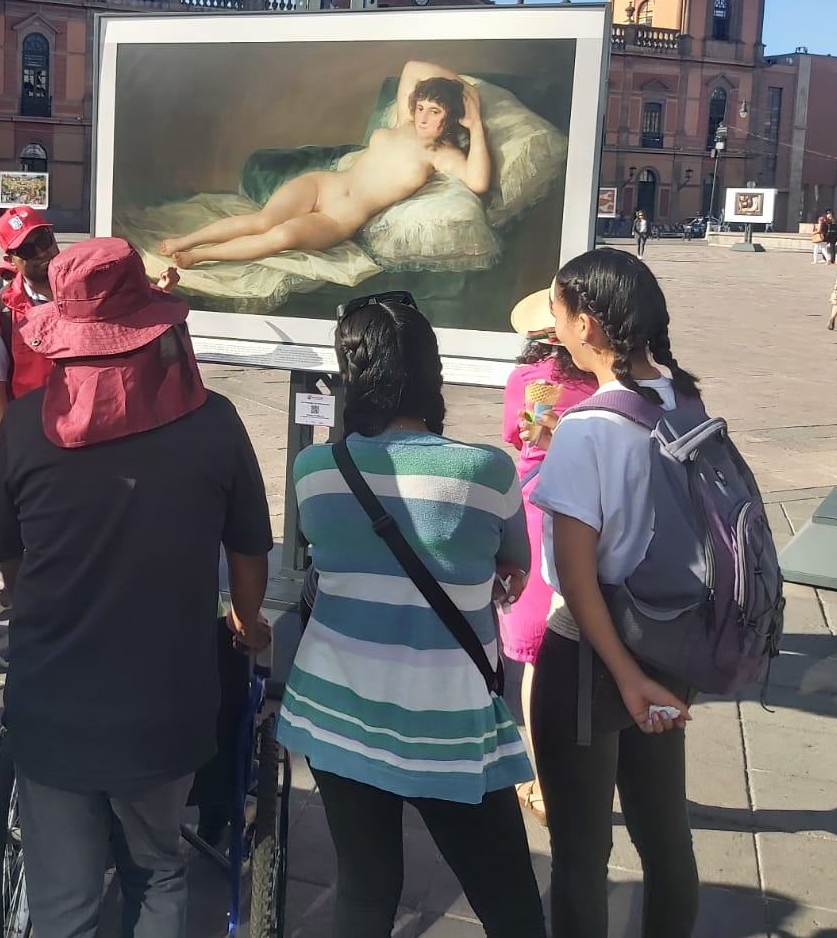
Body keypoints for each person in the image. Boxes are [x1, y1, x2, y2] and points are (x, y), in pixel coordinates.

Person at [0, 238, 274, 938]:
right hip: (165, 706)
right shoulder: (215, 424)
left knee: (63, 900)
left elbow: (9, 560)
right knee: (158, 869)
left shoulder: (23, 427)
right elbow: (250, 550)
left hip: (52, 700)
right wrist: (248, 619)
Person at [277, 291, 546, 937]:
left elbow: (330, 549)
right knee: (509, 901)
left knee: (366, 892)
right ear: (433, 373)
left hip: (334, 709)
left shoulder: (315, 469)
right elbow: (513, 564)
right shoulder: (485, 470)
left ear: (352, 379)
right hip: (447, 721)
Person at [529, 248, 700, 938]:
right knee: (666, 839)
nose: (553, 324)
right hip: (670, 641)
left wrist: (623, 677)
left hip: (590, 660)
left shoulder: (590, 428)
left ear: (589, 326)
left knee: (579, 855)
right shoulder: (685, 401)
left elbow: (573, 577)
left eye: (558, 311)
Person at [159, 62, 490, 267]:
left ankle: (195, 257)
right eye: (422, 107)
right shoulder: (405, 121)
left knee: (280, 236)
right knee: (263, 221)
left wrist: (475, 123)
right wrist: (462, 88)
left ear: (450, 119)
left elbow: (478, 182)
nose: (422, 117)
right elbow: (413, 68)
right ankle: (185, 241)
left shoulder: (440, 154)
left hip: (338, 218)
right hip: (323, 184)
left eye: (435, 112)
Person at [499, 291, 596, 827]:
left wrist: (543, 412)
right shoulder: (604, 379)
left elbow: (520, 437)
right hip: (596, 515)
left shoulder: (528, 382)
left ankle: (546, 783)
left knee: (540, 656)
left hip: (541, 513)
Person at [0, 206, 60, 621]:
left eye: (45, 240)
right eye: (28, 248)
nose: (42, 252)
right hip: (31, 444)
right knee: (23, 542)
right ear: (12, 260)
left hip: (80, 444)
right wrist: (14, 454)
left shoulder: (83, 295)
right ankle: (23, 617)